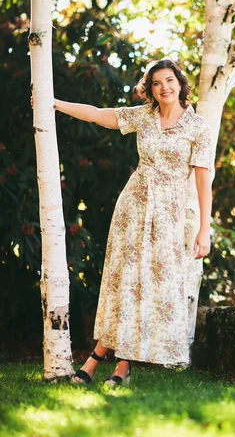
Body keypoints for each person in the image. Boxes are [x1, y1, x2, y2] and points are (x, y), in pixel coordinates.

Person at [46, 58, 213, 386]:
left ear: (180, 84)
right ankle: (116, 365)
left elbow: (203, 182)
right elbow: (99, 114)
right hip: (132, 208)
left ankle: (101, 361)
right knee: (124, 281)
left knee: (148, 286)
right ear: (150, 89)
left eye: (169, 80)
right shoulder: (144, 117)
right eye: (156, 83)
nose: (164, 87)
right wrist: (55, 104)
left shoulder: (198, 127)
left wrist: (203, 229)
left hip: (169, 214)